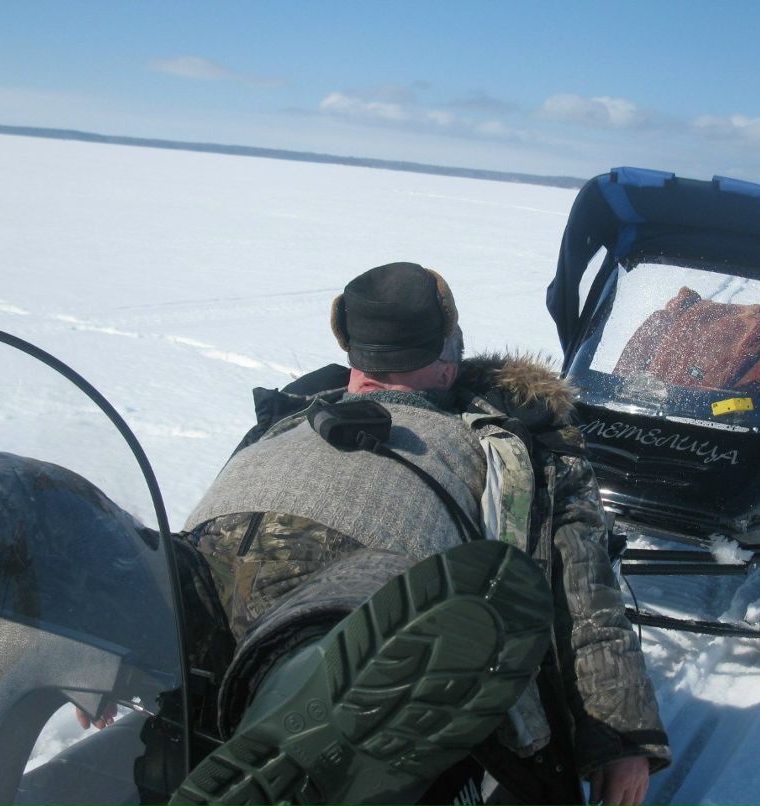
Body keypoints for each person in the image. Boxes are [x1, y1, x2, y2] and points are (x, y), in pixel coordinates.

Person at [172, 262, 670, 806]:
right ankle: (310, 720)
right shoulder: (515, 437)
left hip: (207, 562)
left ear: (351, 350)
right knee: (385, 638)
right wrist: (620, 737)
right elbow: (582, 595)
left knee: (192, 599)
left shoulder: (290, 412)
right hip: (366, 593)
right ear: (447, 360)